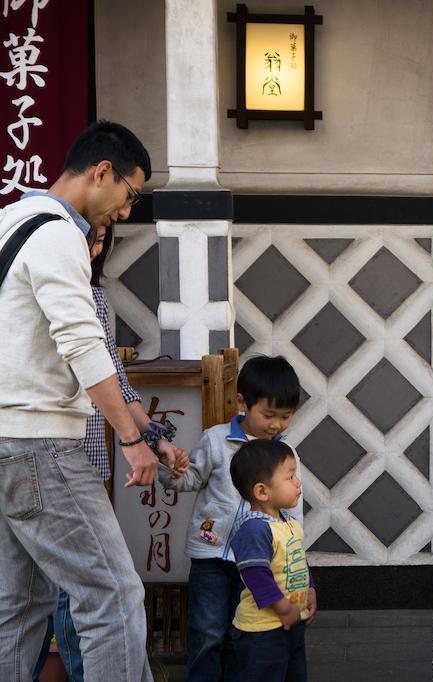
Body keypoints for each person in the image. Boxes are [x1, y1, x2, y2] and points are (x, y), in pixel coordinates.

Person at [0, 120, 158, 681]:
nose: (126, 212)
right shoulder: (58, 233)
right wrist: (134, 439)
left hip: (5, 440)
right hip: (41, 444)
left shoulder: (10, 221)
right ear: (102, 173)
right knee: (112, 595)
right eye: (130, 195)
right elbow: (82, 340)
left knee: (19, 609)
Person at [42, 222, 188, 681]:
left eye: (102, 239)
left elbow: (117, 383)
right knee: (54, 589)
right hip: (37, 451)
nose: (94, 248)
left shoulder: (96, 299)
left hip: (87, 458)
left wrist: (154, 439)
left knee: (79, 586)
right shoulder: (29, 288)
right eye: (90, 237)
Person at [158, 355, 303, 681]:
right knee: (207, 631)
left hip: (258, 563)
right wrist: (171, 471)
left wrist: (296, 563)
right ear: (242, 402)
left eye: (285, 416)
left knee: (246, 633)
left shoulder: (285, 456)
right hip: (211, 556)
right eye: (268, 414)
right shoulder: (216, 440)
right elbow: (190, 480)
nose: (276, 425)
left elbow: (292, 511)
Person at [228, 439, 315, 682]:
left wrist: (310, 589)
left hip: (291, 623)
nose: (298, 483)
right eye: (289, 477)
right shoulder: (254, 529)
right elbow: (256, 575)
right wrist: (284, 608)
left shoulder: (287, 523)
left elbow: (298, 559)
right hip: (262, 632)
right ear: (262, 491)